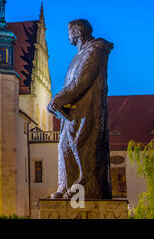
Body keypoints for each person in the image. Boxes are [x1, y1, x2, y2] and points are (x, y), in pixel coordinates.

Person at [48, 19, 113, 199]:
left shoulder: (94, 51)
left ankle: (84, 188)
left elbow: (80, 82)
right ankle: (66, 186)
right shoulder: (81, 53)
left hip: (87, 111)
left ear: (76, 33)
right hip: (73, 113)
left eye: (69, 32)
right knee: (65, 146)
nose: (67, 36)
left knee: (82, 146)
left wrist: (57, 99)